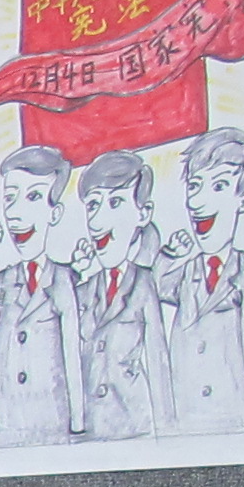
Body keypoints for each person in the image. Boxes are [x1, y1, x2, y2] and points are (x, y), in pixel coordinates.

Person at [0, 146, 83, 444]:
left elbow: (72, 348)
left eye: (33, 197)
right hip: (8, 416)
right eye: (9, 198)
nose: (15, 212)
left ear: (54, 213)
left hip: (50, 416)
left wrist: (78, 422)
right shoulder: (8, 279)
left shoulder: (61, 279)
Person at [157, 126, 244, 435]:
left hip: (233, 415)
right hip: (186, 417)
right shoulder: (188, 271)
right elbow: (154, 291)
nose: (198, 200)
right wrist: (167, 255)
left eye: (219, 186)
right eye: (194, 186)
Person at [70, 152, 173, 440]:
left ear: (143, 214)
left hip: (133, 425)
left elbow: (158, 361)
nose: (98, 218)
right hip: (86, 428)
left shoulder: (144, 283)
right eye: (93, 205)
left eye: (115, 202)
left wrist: (168, 435)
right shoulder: (82, 290)